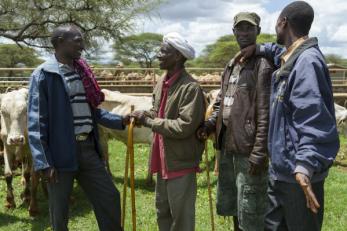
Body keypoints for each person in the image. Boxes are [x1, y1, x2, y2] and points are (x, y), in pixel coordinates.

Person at [239, 1, 340, 230]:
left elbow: (313, 118)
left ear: (282, 23)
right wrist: (258, 48)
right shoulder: (292, 57)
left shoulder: (306, 63)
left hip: (298, 177)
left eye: (277, 24)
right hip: (282, 172)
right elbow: (277, 51)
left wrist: (304, 165)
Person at [27, 25, 128, 231]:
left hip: (88, 149)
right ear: (61, 41)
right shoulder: (43, 75)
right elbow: (37, 123)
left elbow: (93, 112)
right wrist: (44, 162)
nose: (82, 45)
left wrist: (122, 120)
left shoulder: (82, 72)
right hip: (59, 154)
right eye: (77, 40)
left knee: (109, 196)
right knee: (60, 210)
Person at [196, 12, 273, 231]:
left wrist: (259, 152)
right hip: (228, 146)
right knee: (234, 204)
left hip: (247, 149)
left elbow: (265, 112)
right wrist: (210, 124)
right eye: (240, 28)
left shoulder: (263, 65)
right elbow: (221, 101)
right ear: (234, 32)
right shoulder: (231, 65)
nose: (244, 33)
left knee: (252, 206)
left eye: (249, 28)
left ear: (257, 31)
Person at [131, 32, 205, 231]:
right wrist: (144, 114)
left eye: (164, 51)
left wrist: (148, 121)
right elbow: (158, 111)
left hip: (180, 161)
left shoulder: (190, 88)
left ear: (178, 56)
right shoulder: (161, 82)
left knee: (181, 219)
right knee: (162, 212)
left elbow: (184, 126)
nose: (158, 55)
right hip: (163, 159)